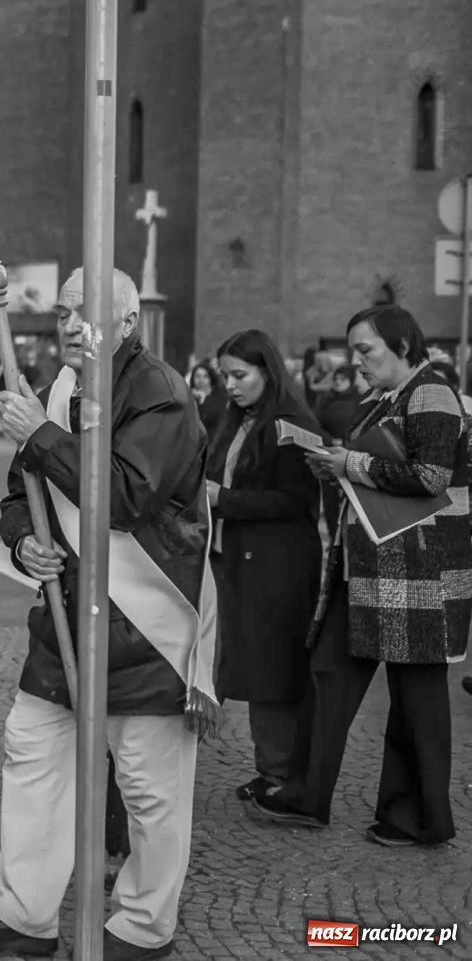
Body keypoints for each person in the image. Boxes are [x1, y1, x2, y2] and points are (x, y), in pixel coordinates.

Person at [0, 267, 216, 961]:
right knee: (32, 760)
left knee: (149, 790)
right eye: (63, 311)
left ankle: (142, 926)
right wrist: (22, 542)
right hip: (64, 619)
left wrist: (39, 433)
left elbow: (126, 497)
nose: (69, 324)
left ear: (127, 322)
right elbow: (19, 493)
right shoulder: (60, 391)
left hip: (143, 628)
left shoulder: (161, 395)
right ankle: (23, 914)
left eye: (85, 312)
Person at [249, 305, 471, 848]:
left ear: (402, 345)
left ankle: (419, 819)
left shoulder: (432, 393)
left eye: (366, 350)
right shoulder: (390, 398)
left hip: (417, 574)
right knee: (328, 674)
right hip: (373, 566)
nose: (356, 361)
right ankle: (305, 795)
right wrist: (336, 462)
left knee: (415, 699)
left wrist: (347, 463)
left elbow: (431, 476)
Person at [205, 330, 322, 803]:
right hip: (238, 558)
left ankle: (283, 773)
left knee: (273, 670)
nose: (230, 385)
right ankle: (271, 768)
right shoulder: (238, 418)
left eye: (239, 375)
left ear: (267, 372)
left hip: (278, 565)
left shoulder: (292, 423)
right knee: (255, 667)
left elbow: (297, 502)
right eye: (225, 376)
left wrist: (222, 499)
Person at [189, 362, 228, 437]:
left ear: (211, 379)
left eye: (205, 376)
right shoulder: (189, 398)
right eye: (197, 376)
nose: (201, 380)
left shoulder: (220, 396)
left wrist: (203, 400)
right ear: (192, 379)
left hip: (215, 441)